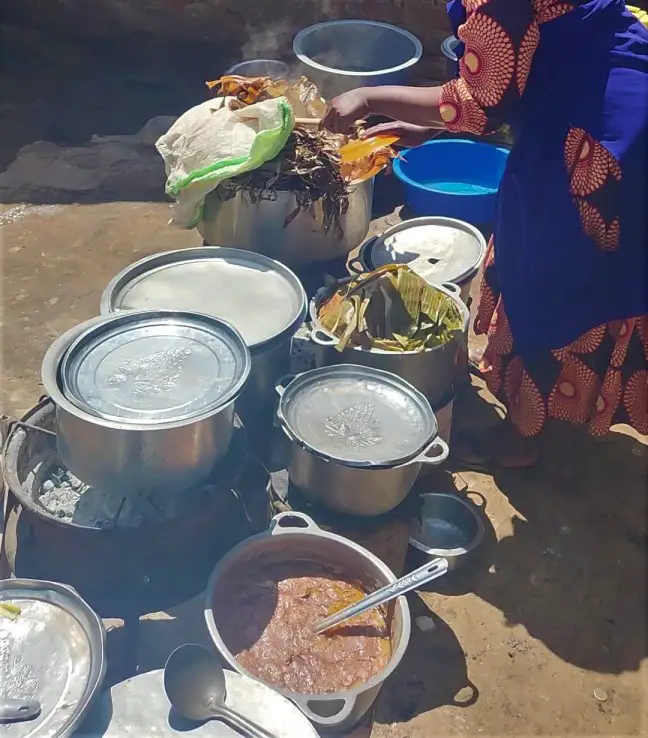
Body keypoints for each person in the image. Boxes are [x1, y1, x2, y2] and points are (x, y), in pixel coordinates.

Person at [323, 0, 648, 468]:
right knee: (589, 271)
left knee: (545, 279)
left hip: (592, 143)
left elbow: (480, 104)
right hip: (603, 97)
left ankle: (520, 438)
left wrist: (370, 97)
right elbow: (514, 68)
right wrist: (427, 124)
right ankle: (559, 407)